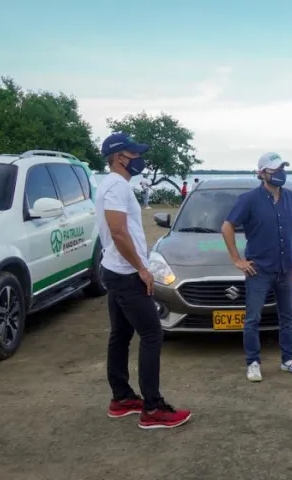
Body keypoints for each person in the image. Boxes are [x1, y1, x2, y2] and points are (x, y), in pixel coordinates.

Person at [96, 132, 191, 429]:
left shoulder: (113, 184)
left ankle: (122, 398)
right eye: (134, 154)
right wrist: (142, 268)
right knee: (152, 334)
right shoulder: (116, 186)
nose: (139, 158)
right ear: (120, 157)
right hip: (126, 273)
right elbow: (118, 231)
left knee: (121, 334)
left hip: (115, 269)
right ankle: (152, 409)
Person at [221, 152, 292, 381]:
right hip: (259, 270)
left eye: (282, 168)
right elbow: (227, 227)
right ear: (261, 173)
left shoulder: (291, 198)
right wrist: (237, 260)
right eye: (275, 169)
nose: (280, 173)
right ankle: (253, 363)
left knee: (287, 317)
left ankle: (288, 359)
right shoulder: (249, 200)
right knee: (253, 318)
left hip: (286, 269)